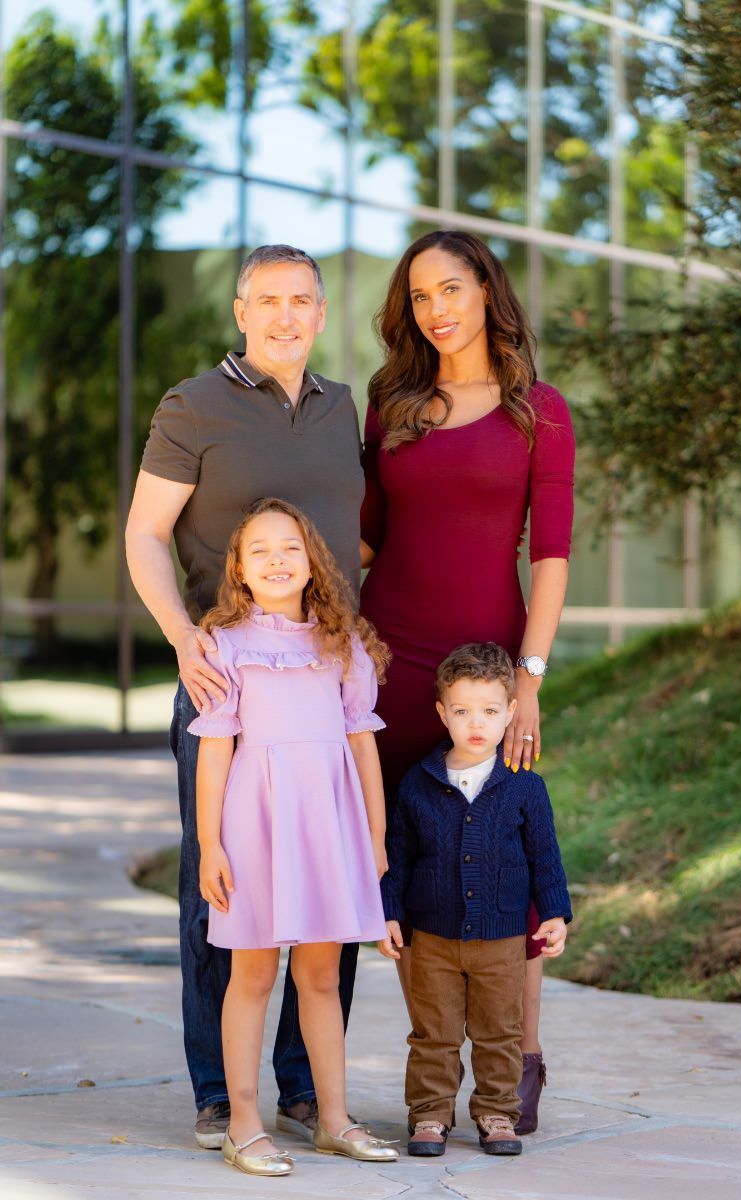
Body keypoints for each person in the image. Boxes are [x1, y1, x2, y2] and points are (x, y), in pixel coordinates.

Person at [126, 244, 365, 1149]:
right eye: (267, 300)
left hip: (322, 684)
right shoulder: (194, 405)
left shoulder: (345, 408)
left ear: (320, 312)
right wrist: (186, 638)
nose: (285, 316)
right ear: (239, 311)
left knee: (328, 886)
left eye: (301, 300)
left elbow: (352, 537)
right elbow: (145, 533)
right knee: (217, 887)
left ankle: (307, 1092)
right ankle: (221, 1096)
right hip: (223, 683)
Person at [360, 230, 575, 1132]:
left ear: (487, 290)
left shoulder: (541, 411)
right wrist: (345, 631)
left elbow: (553, 558)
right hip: (391, 663)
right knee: (409, 862)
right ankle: (433, 1077)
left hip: (490, 667)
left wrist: (528, 679)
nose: (437, 310)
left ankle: (518, 1054)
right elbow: (366, 537)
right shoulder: (393, 404)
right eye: (419, 296)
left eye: (452, 288)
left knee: (509, 861)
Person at [190, 496, 399, 1176]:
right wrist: (211, 844)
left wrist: (374, 833)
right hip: (256, 823)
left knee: (320, 975)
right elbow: (216, 751)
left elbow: (362, 741)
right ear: (240, 572)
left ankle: (333, 1119)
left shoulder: (343, 643)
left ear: (313, 562)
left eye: (290, 547)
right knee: (251, 974)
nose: (277, 559)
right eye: (260, 550)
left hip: (327, 823)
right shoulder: (224, 645)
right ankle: (244, 1122)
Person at [379, 643, 571, 1156]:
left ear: (511, 712)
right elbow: (398, 855)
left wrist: (554, 912)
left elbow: (545, 856)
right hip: (433, 937)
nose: (476, 723)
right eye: (462, 711)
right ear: (442, 713)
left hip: (502, 938)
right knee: (433, 1034)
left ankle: (496, 1113)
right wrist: (390, 914)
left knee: (499, 1033)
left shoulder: (524, 785)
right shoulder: (418, 784)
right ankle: (429, 1115)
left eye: (489, 711)